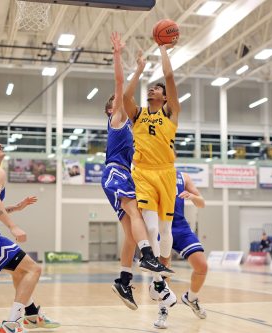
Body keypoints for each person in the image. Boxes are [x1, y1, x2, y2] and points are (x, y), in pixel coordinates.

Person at [102, 32, 173, 310]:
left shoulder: (135, 128)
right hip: (114, 172)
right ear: (110, 109)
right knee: (134, 210)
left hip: (126, 174)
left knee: (132, 232)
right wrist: (122, 57)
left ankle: (123, 280)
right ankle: (147, 254)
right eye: (115, 101)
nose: (119, 102)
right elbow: (120, 84)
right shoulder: (117, 118)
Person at [0, 135, 60, 332]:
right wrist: (13, 226)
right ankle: (12, 323)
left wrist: (15, 207)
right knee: (33, 269)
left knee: (20, 271)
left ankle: (32, 315)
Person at [123, 39, 181, 307]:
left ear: (165, 97)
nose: (153, 89)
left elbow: (169, 76)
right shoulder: (138, 115)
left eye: (157, 89)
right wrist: (138, 70)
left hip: (167, 173)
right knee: (152, 226)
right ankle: (157, 279)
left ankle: (162, 280)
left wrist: (163, 49)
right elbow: (125, 98)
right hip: (143, 173)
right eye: (151, 88)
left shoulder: (171, 113)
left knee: (166, 228)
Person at [152, 171, 207, 329]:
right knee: (164, 270)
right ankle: (162, 310)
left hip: (180, 227)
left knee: (202, 266)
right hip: (160, 224)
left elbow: (201, 203)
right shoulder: (150, 172)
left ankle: (191, 298)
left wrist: (192, 196)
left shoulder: (183, 177)